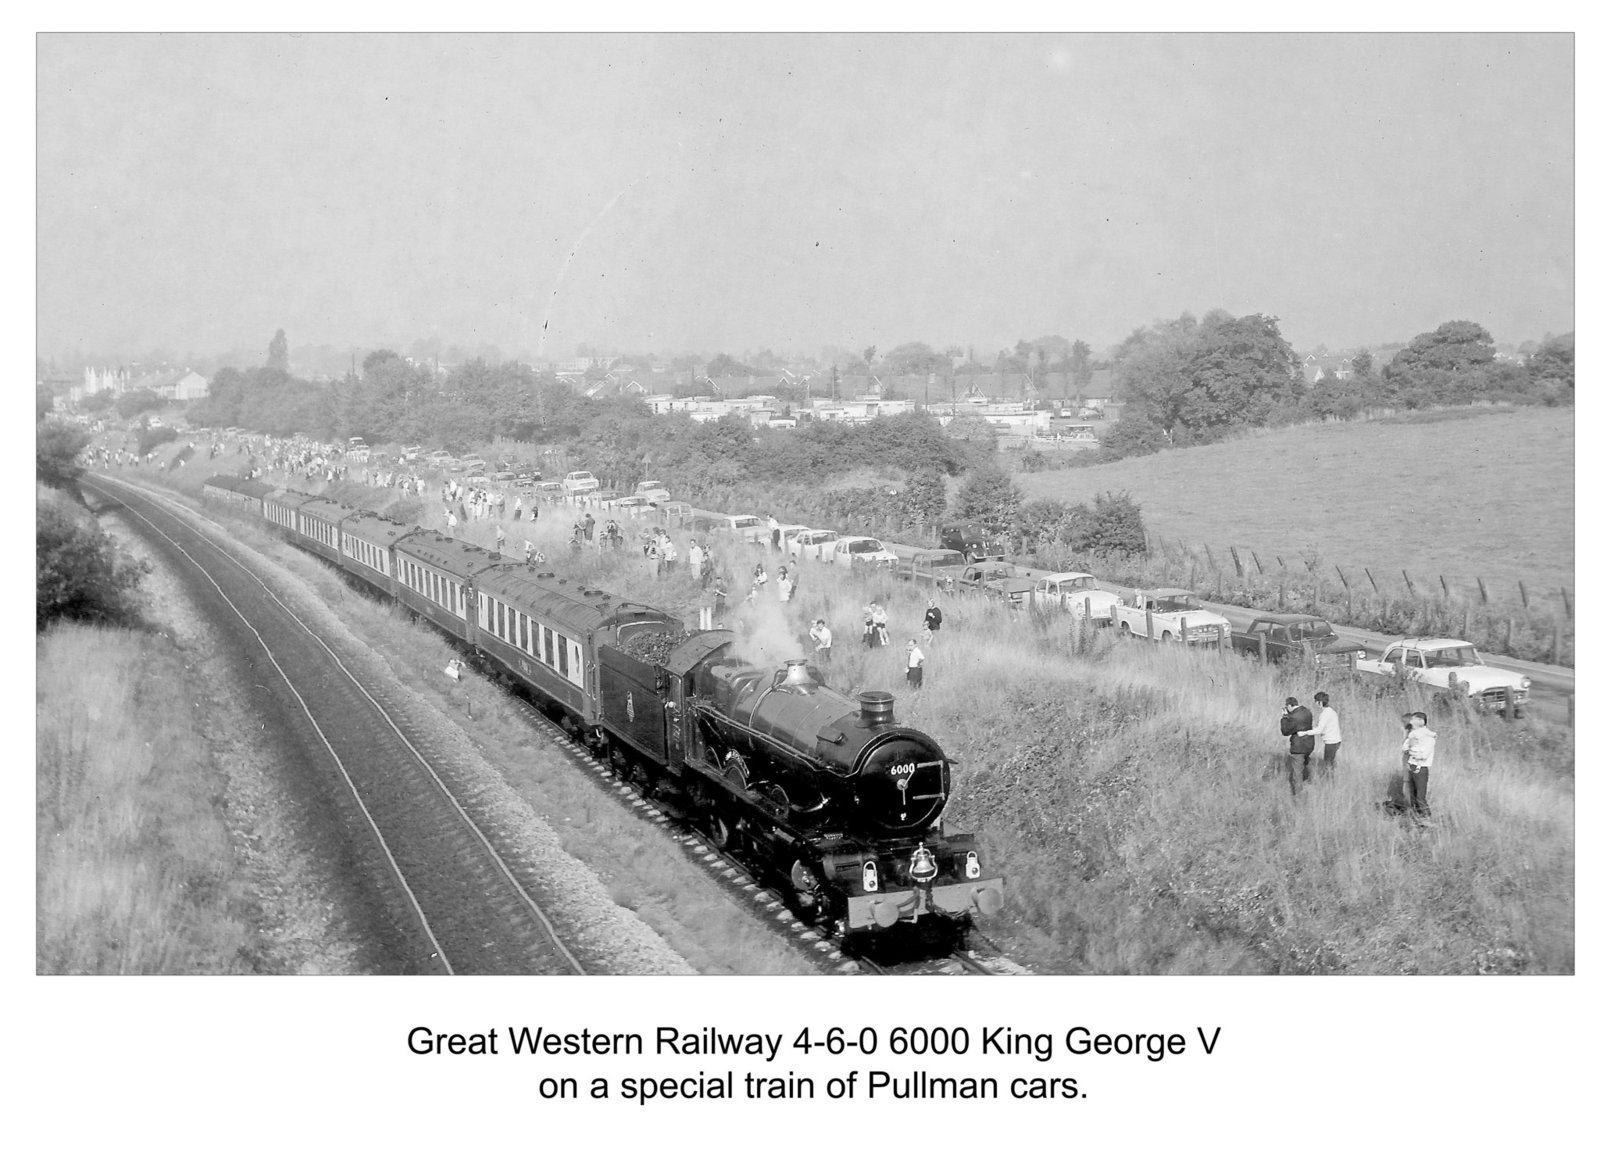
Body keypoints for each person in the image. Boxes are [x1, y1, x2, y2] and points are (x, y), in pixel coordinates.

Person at [1401, 711, 1437, 821]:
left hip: (1421, 769)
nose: (1410, 722)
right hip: (1411, 766)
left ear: (1420, 721)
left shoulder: (1429, 737)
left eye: (1413, 719)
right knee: (1412, 795)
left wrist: (1412, 749)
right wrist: (1411, 747)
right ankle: (1416, 818)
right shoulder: (1413, 734)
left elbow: (1423, 755)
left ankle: (1428, 819)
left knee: (1420, 797)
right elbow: (1404, 747)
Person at [1300, 691, 1341, 772]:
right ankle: (1331, 779)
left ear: (1320, 702)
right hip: (1336, 740)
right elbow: (1324, 728)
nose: (1315, 704)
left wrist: (1304, 733)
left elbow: (1319, 730)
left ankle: (1330, 782)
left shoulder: (1325, 714)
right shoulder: (1332, 711)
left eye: (1316, 701)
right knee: (1331, 763)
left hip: (1331, 742)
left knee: (1328, 764)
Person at [1281, 697, 1314, 790]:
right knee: (1306, 763)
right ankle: (1309, 783)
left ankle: (1298, 795)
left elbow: (1285, 731)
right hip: (1309, 744)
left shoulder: (1293, 717)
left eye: (1287, 707)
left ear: (1289, 705)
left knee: (1297, 772)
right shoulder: (1307, 712)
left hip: (1298, 746)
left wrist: (1284, 718)